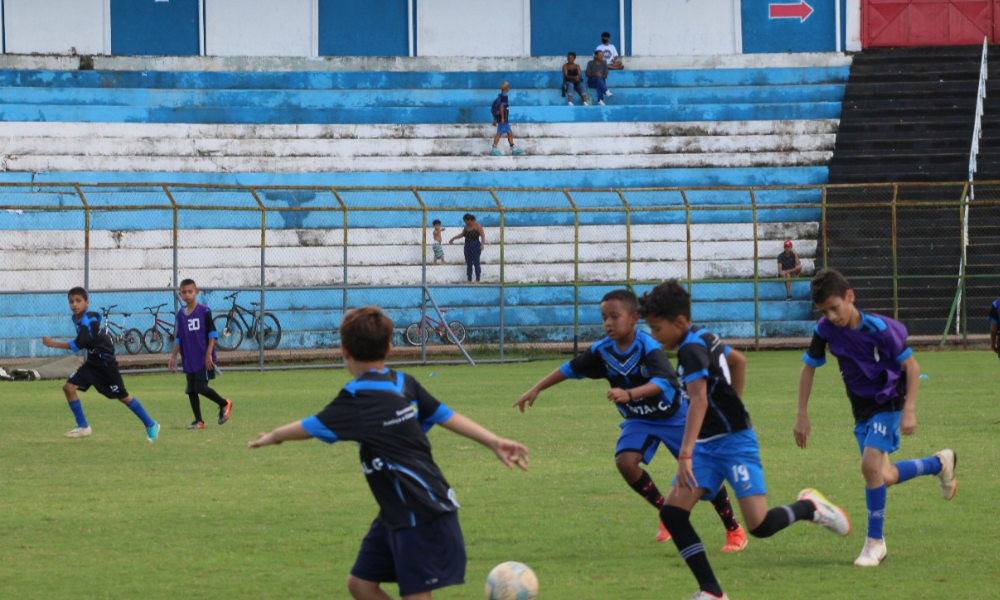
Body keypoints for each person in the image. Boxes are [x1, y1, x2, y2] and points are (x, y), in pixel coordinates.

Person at [249, 306, 529, 600]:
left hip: (420, 512)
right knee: (360, 584)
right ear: (390, 348)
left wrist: (274, 437)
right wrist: (493, 441)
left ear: (344, 350)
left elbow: (308, 427)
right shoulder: (401, 383)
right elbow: (448, 416)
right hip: (396, 511)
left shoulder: (359, 397)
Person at [639, 280, 851, 600]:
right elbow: (739, 360)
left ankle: (809, 507)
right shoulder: (704, 336)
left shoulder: (690, 350)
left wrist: (684, 454)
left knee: (760, 526)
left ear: (679, 322)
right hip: (707, 447)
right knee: (673, 513)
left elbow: (699, 402)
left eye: (657, 329)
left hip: (734, 444)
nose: (654, 337)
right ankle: (711, 592)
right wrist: (735, 401)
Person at [514, 289, 748, 551]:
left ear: (634, 318)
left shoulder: (648, 346)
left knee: (699, 475)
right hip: (640, 419)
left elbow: (663, 381)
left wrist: (629, 393)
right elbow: (569, 369)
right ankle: (665, 512)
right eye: (604, 318)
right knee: (625, 462)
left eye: (614, 316)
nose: (608, 323)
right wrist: (536, 388)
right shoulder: (601, 350)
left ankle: (733, 528)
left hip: (675, 416)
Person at [795, 269, 957, 568]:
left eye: (835, 307)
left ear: (850, 296)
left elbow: (911, 366)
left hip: (889, 401)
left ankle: (875, 543)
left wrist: (908, 410)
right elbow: (809, 367)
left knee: (869, 466)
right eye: (824, 311)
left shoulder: (879, 330)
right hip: (861, 410)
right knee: (883, 476)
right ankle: (940, 463)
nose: (831, 316)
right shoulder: (824, 329)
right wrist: (801, 413)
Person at [41, 286, 160, 442]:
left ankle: (151, 424)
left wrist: (53, 343)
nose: (74, 304)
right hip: (92, 362)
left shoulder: (88, 320)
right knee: (68, 388)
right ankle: (83, 427)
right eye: (71, 301)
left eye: (78, 301)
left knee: (123, 396)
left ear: (87, 303)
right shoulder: (75, 318)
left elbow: (79, 344)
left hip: (105, 364)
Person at [167, 279, 232, 430]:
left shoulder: (204, 311)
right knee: (191, 390)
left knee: (201, 387)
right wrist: (173, 356)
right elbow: (179, 337)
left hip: (204, 358)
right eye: (184, 292)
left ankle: (224, 403)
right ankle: (199, 421)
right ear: (180, 294)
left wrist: (209, 354)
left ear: (196, 292)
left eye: (190, 291)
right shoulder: (180, 315)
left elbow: (213, 334)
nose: (187, 295)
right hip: (189, 358)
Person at [489, 81, 525, 156]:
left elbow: (498, 108)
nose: (509, 88)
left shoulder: (500, 96)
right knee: (500, 133)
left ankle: (513, 148)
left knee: (509, 133)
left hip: (503, 118)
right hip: (503, 119)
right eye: (508, 87)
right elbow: (501, 108)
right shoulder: (504, 96)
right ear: (506, 88)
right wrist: (502, 118)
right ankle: (494, 149)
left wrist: (495, 119)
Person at [449, 213, 485, 284]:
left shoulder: (477, 226)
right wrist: (454, 238)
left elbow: (482, 235)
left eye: (466, 221)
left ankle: (477, 279)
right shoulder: (466, 227)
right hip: (467, 245)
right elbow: (462, 234)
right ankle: (469, 279)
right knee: (469, 263)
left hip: (475, 245)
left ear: (470, 220)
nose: (465, 222)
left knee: (476, 262)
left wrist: (482, 244)